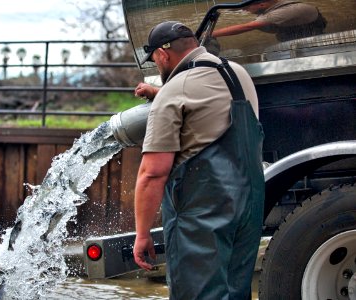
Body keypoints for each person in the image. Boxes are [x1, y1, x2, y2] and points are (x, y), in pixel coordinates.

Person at [133, 21, 265, 299]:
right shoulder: (236, 73)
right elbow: (208, 108)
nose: (156, 66)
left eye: (154, 60)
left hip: (203, 211)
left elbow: (153, 173)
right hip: (248, 202)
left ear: (162, 54)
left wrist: (142, 233)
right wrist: (159, 95)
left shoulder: (173, 92)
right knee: (234, 290)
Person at [212, 0, 327, 42]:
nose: (246, 11)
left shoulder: (277, 14)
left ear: (261, 4)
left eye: (247, 8)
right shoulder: (274, 4)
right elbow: (244, 6)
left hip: (309, 31)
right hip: (297, 26)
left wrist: (208, 34)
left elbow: (246, 27)